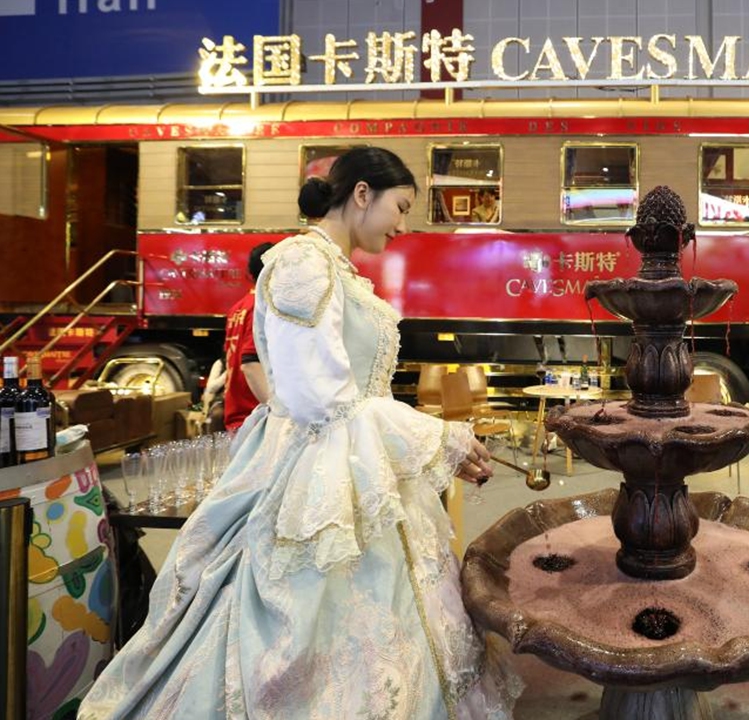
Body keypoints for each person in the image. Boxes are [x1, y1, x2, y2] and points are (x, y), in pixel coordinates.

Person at [79, 147, 520, 719]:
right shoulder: (301, 264)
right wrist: (443, 439)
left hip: (350, 460)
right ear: (361, 194)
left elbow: (353, 397)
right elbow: (323, 400)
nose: (403, 225)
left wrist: (433, 442)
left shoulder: (337, 270)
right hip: (313, 467)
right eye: (401, 207)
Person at [221, 241, 274, 434]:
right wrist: (278, 412)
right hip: (253, 416)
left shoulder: (238, 307)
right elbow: (250, 364)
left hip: (236, 412)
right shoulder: (261, 307)